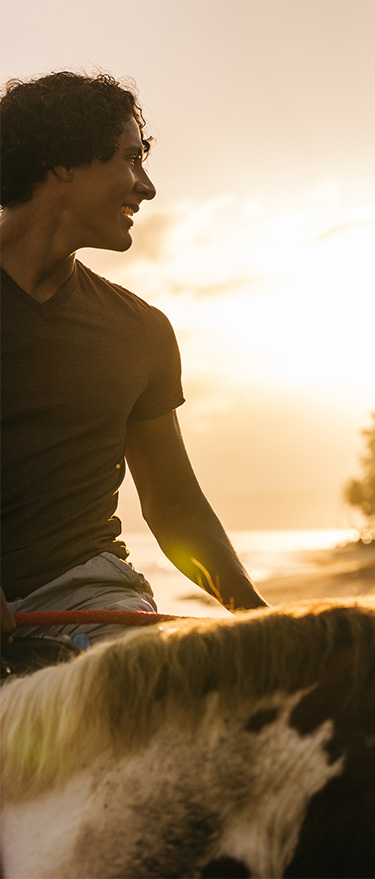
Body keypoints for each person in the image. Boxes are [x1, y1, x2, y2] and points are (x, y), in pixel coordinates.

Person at [1, 71, 267, 647]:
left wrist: (261, 622)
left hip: (87, 598)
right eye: (129, 160)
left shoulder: (140, 331)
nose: (146, 187)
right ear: (64, 162)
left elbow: (174, 505)